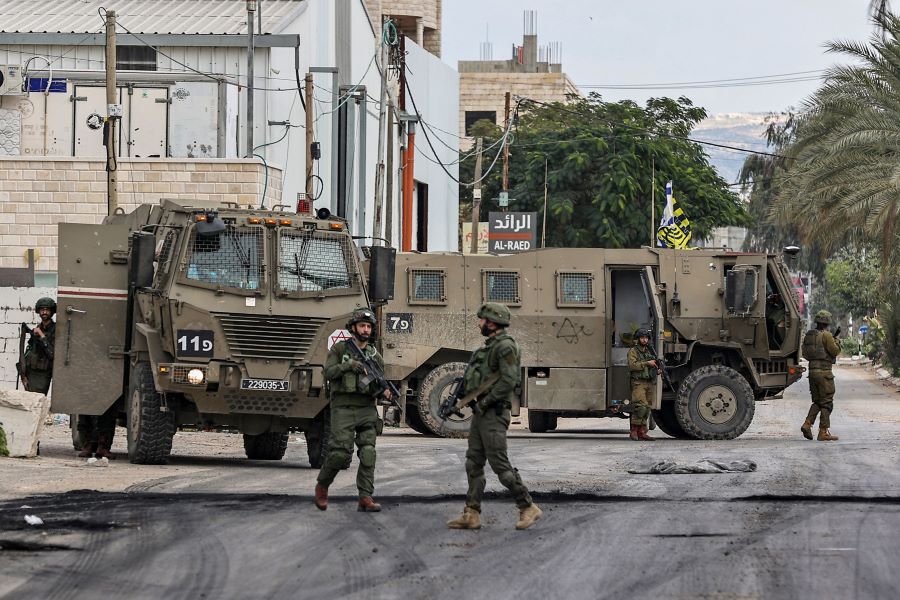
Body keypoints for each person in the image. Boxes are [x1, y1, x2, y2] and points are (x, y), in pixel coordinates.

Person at [447, 302, 542, 531]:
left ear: (492, 322)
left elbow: (508, 380)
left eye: (482, 320)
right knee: (473, 463)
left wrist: (486, 402)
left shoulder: (505, 347)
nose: (479, 323)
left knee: (500, 465)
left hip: (494, 413)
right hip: (482, 412)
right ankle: (471, 513)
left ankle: (528, 506)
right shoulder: (487, 348)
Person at [314, 307, 392, 512]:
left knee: (368, 453)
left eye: (369, 326)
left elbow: (378, 382)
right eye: (362, 325)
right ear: (353, 328)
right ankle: (322, 486)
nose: (366, 330)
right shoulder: (340, 350)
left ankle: (365, 496)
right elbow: (328, 372)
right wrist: (348, 366)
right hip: (343, 407)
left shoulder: (375, 355)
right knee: (339, 453)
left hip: (366, 408)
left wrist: (384, 391)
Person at [801, 310, 841, 441]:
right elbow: (834, 351)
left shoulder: (809, 335)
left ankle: (807, 424)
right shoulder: (827, 335)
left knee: (818, 401)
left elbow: (805, 354)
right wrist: (836, 341)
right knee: (827, 402)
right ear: (827, 323)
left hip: (812, 372)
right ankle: (823, 432)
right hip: (824, 373)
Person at [627, 328, 660, 441]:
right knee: (640, 407)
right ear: (638, 339)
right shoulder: (633, 351)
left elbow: (653, 365)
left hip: (649, 382)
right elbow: (632, 366)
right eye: (642, 338)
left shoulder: (649, 351)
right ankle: (634, 431)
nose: (645, 340)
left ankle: (642, 431)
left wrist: (657, 370)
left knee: (647, 408)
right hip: (638, 382)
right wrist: (647, 363)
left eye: (646, 338)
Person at [20, 297, 56, 395]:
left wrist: (42, 335)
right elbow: (29, 351)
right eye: (42, 309)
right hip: (31, 372)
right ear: (38, 311)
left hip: (42, 375)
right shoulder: (38, 328)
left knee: (37, 400)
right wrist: (23, 374)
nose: (44, 312)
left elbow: (52, 354)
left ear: (52, 312)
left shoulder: (56, 330)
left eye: (47, 310)